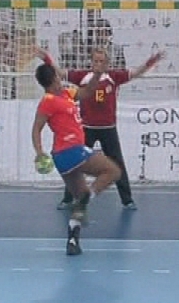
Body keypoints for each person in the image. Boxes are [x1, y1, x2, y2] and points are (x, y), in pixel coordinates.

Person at [37, 46, 164, 210]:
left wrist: (150, 62)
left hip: (108, 128)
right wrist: (46, 59)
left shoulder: (114, 77)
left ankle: (127, 200)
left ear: (107, 63)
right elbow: (60, 73)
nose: (98, 64)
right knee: (75, 165)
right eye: (95, 61)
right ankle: (68, 198)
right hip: (87, 128)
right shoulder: (83, 76)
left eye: (101, 61)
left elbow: (136, 73)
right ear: (91, 62)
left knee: (117, 164)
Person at [32, 60, 122, 256]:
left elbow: (87, 92)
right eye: (57, 75)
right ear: (54, 78)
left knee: (81, 199)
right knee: (113, 171)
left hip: (62, 158)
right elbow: (36, 129)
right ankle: (87, 198)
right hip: (71, 150)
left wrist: (97, 74)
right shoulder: (48, 101)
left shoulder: (66, 93)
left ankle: (73, 241)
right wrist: (39, 152)